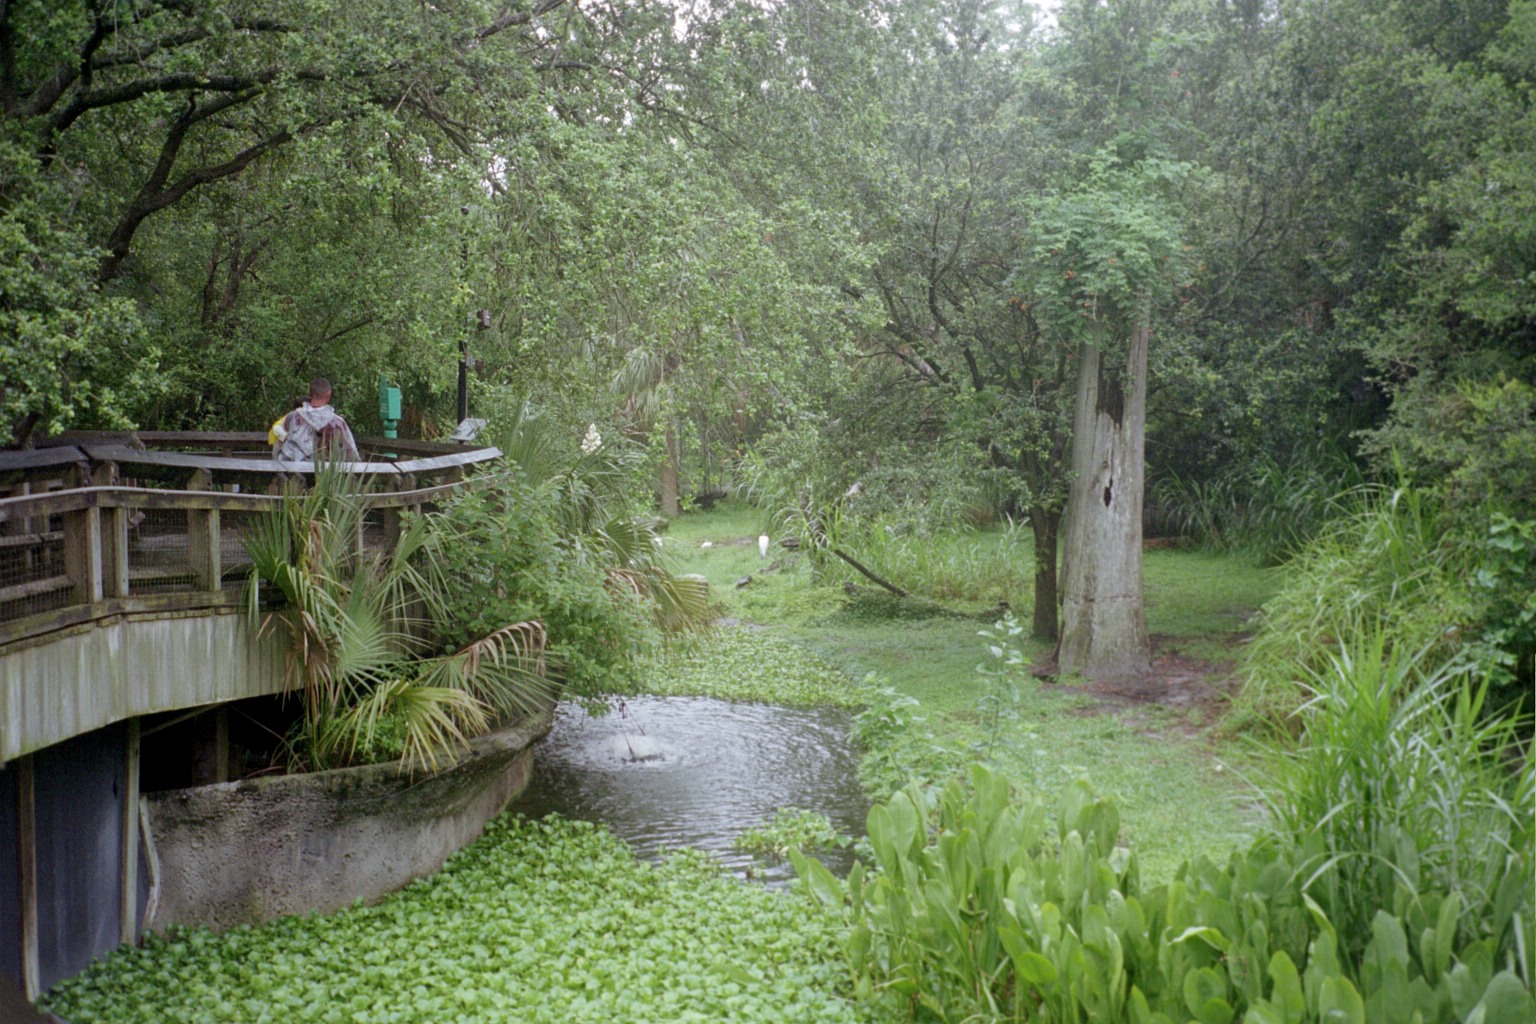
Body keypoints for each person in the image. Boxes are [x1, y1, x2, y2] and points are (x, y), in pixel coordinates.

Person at [273, 377, 359, 462]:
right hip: (325, 472)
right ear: (328, 395)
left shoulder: (292, 417)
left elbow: (279, 440)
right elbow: (350, 450)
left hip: (293, 470)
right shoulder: (338, 423)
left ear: (309, 393)